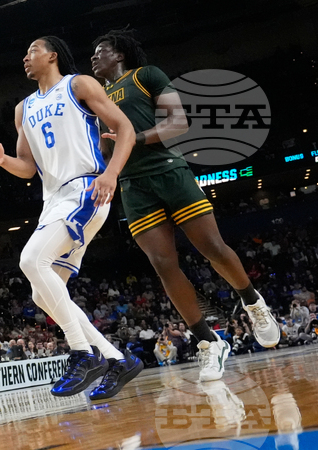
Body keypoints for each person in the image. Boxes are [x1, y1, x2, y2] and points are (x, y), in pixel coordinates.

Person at [90, 29, 279, 380]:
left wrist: (133, 139)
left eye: (101, 50)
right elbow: (105, 148)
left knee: (212, 247)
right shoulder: (96, 97)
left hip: (168, 171)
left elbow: (179, 122)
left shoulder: (145, 76)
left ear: (118, 55)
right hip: (133, 186)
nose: (93, 57)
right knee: (164, 265)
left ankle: (253, 303)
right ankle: (208, 343)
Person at [0, 36, 143, 399]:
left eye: (32, 50)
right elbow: (27, 168)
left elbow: (126, 129)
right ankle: (118, 358)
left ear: (52, 56)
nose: (25, 57)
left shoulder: (79, 84)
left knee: (30, 260)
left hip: (87, 187)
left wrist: (111, 173)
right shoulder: (23, 109)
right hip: (53, 200)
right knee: (42, 295)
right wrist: (3, 160)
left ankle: (82, 353)